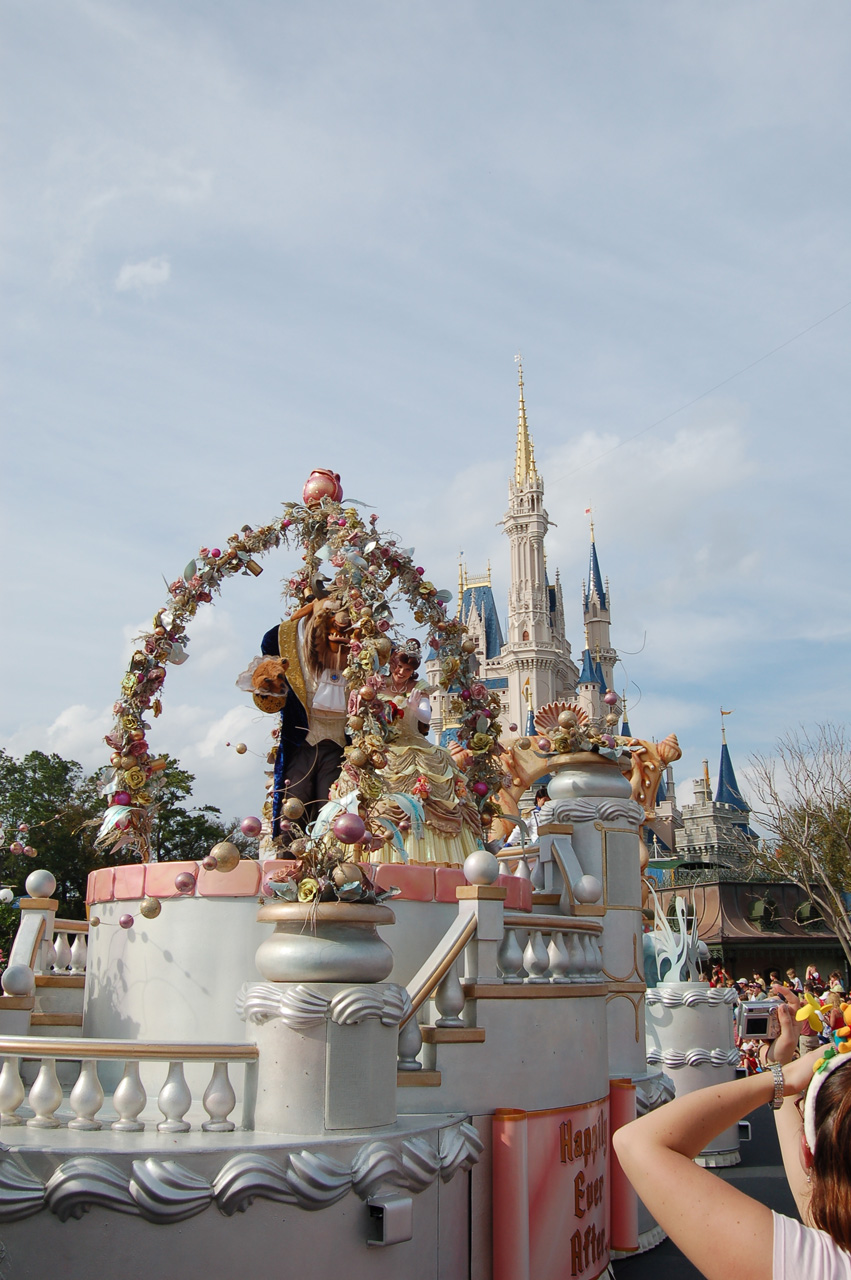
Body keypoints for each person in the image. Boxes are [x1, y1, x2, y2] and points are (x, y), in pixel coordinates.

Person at [614, 993, 851, 1279]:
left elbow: (638, 1141)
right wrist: (779, 1071)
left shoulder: (813, 1266)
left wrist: (782, 1077)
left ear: (807, 1152)